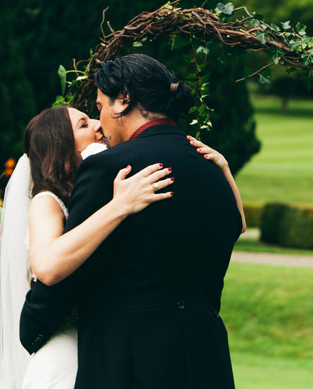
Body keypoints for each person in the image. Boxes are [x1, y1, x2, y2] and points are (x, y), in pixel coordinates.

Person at [20, 54, 246, 388]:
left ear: (123, 100)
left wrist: (33, 328)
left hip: (128, 361)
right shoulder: (211, 164)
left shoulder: (111, 169)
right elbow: (234, 228)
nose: (100, 122)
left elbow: (66, 277)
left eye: (99, 106)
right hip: (206, 355)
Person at [0, 105, 174, 389]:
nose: (98, 124)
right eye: (83, 124)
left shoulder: (98, 193)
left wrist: (222, 168)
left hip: (106, 348)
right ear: (61, 147)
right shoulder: (47, 202)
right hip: (65, 355)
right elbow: (48, 268)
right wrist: (119, 206)